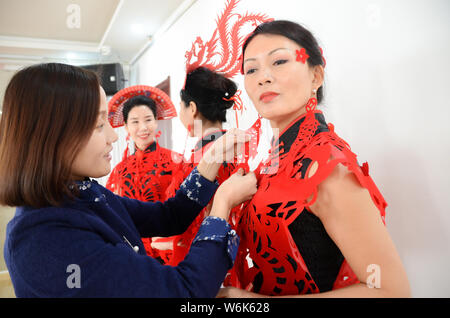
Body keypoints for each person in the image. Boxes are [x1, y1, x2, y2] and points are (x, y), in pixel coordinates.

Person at [0, 63, 257, 297]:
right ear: (52, 134)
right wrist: (222, 203)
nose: (113, 136)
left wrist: (210, 161)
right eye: (99, 124)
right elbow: (182, 292)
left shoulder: (84, 193)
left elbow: (169, 215)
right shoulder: (42, 240)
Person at [219, 20, 410, 297]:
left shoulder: (328, 165)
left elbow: (391, 291)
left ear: (316, 76)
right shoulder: (276, 157)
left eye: (279, 61)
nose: (263, 77)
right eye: (251, 69)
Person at [160, 66, 243, 266]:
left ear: (193, 108)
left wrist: (165, 242)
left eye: (181, 107)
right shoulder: (230, 146)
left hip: (203, 258)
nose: (180, 113)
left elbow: (199, 219)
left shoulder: (205, 156)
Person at [105, 93, 187, 263]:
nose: (143, 127)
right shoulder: (119, 171)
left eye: (148, 120)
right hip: (132, 256)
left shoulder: (177, 162)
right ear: (126, 127)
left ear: (156, 122)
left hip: (168, 254)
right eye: (135, 122)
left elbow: (185, 211)